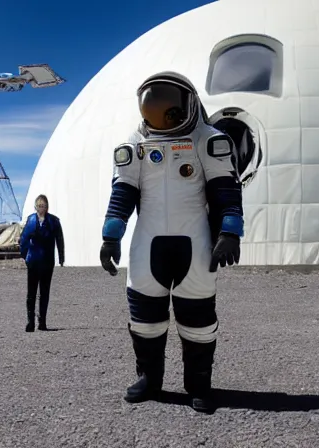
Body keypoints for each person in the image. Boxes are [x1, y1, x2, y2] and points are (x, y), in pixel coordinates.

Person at [98, 71, 243, 413]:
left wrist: (229, 233)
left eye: (168, 106)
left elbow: (226, 191)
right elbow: (122, 194)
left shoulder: (207, 140)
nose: (160, 116)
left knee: (198, 319)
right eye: (151, 107)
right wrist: (110, 237)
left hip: (195, 241)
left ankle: (199, 385)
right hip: (149, 243)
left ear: (188, 103)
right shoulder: (135, 145)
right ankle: (150, 379)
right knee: (144, 316)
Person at [19, 194, 65, 332]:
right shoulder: (31, 220)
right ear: (35, 207)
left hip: (47, 261)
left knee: (44, 292)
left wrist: (61, 256)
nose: (41, 209)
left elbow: (59, 239)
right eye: (39, 206)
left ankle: (42, 322)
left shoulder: (54, 221)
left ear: (47, 207)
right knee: (31, 292)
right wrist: (25, 255)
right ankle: (30, 321)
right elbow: (24, 239)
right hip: (33, 260)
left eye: (43, 206)